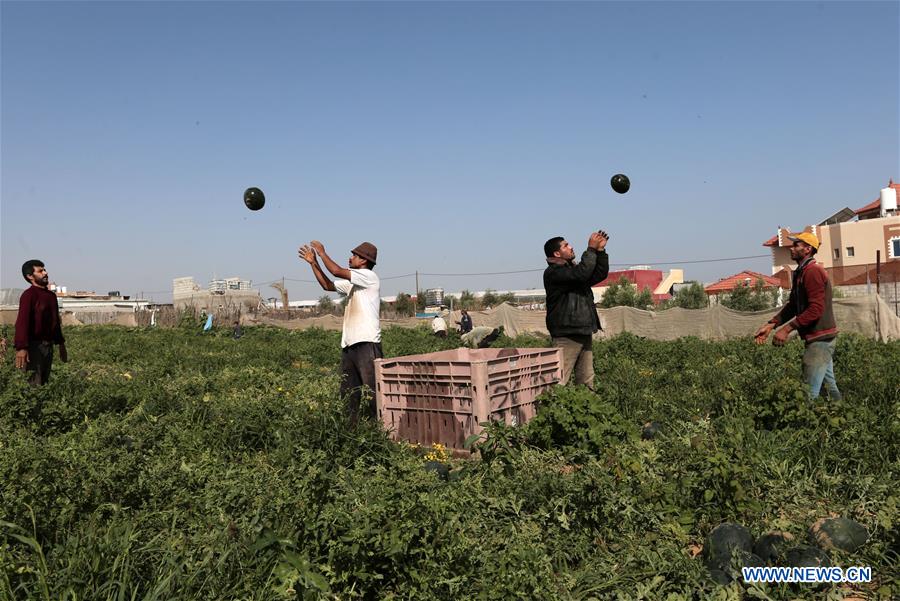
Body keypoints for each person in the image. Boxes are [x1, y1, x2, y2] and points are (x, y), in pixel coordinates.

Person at [299, 240, 382, 426]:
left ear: (364, 261)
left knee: (372, 395)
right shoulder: (354, 284)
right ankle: (350, 434)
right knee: (349, 396)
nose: (350, 258)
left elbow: (335, 271)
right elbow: (327, 285)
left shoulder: (369, 276)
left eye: (354, 255)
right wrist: (314, 263)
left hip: (367, 345)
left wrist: (322, 253)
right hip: (349, 346)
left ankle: (377, 433)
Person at [754, 232, 841, 400]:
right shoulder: (802, 272)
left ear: (808, 249)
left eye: (796, 245)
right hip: (819, 338)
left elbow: (815, 309)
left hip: (820, 340)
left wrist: (786, 329)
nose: (791, 248)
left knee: (808, 393)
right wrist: (771, 325)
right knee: (830, 388)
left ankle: (808, 424)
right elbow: (793, 305)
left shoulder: (813, 272)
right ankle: (843, 419)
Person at [543, 231, 610, 389]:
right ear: (557, 253)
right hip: (567, 334)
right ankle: (551, 411)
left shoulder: (572, 270)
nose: (571, 247)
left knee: (586, 380)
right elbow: (582, 273)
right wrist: (591, 250)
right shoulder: (554, 272)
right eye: (566, 245)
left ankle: (586, 410)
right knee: (558, 381)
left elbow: (599, 274)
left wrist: (600, 252)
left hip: (582, 330)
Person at [14, 260, 67, 385]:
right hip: (33, 347)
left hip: (47, 347)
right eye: (40, 271)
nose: (45, 273)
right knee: (33, 384)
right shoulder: (28, 295)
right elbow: (22, 322)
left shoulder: (51, 296)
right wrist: (21, 347)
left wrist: (61, 344)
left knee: (44, 383)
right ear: (30, 276)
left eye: (45, 270)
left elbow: (55, 323)